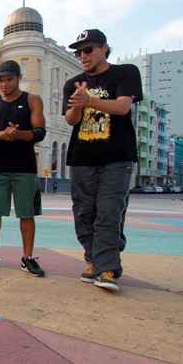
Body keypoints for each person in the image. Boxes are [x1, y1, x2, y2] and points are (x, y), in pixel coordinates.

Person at [63, 29, 142, 292]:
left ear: (104, 48)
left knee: (109, 211)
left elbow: (122, 107)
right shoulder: (73, 83)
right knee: (84, 213)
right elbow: (71, 120)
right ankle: (95, 259)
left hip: (116, 157)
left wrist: (90, 100)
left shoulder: (125, 73)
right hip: (82, 157)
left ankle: (107, 268)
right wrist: (77, 104)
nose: (82, 56)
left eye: (88, 49)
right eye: (78, 51)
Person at [0, 60, 46, 277]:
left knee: (27, 214)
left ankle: (27, 258)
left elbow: (40, 132)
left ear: (18, 78)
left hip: (24, 168)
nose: (5, 84)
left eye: (9, 80)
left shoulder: (32, 100)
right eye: (1, 80)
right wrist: (3, 135)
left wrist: (19, 134)